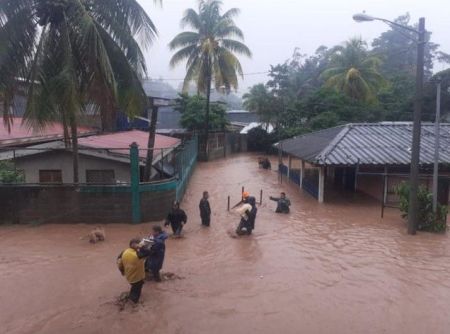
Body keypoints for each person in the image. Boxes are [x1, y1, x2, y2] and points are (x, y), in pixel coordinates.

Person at [117, 238, 146, 304]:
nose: (140, 246)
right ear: (133, 245)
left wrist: (122, 271)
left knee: (134, 285)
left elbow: (119, 262)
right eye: (139, 244)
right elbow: (146, 255)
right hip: (137, 277)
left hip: (129, 275)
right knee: (137, 288)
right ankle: (133, 302)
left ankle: (131, 296)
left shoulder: (125, 251)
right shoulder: (136, 254)